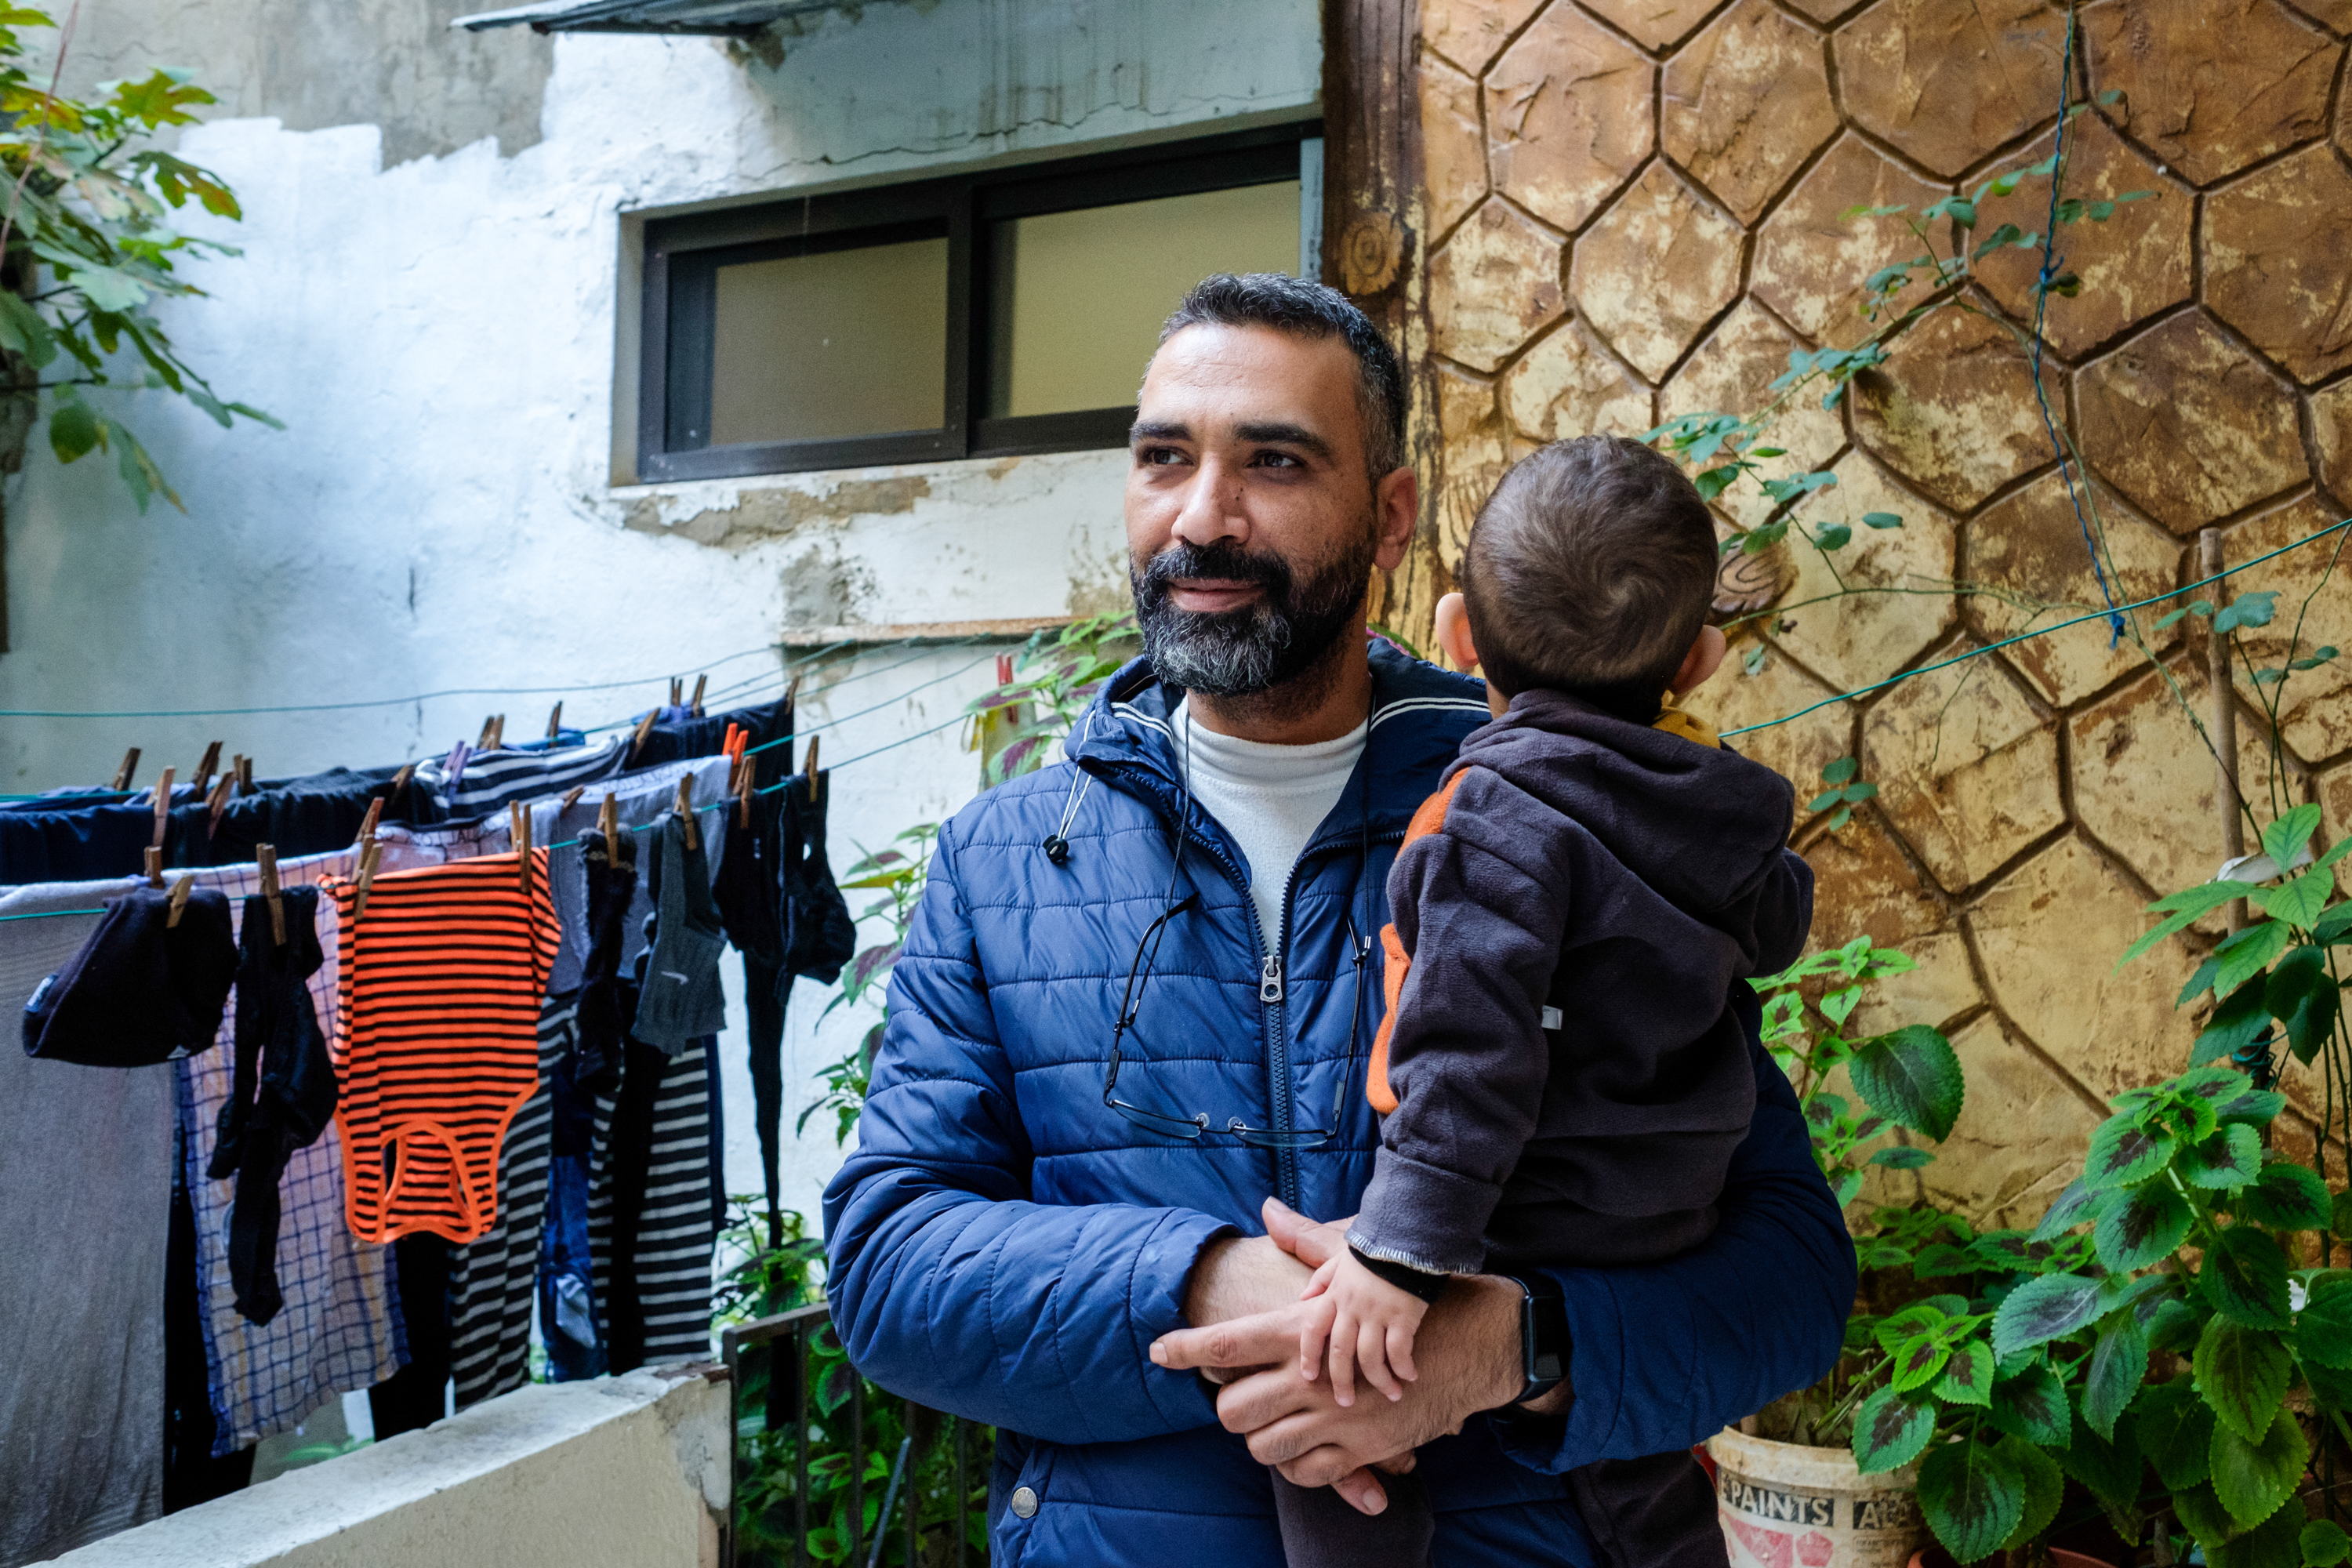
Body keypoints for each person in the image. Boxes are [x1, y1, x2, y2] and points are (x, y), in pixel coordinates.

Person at [821, 272, 1855, 1566]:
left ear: (1390, 515)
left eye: (1275, 460)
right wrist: (1208, 1284)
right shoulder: (1007, 860)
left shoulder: (1568, 825)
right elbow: (888, 1265)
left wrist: (1513, 1346)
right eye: (1164, 459)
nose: (1205, 514)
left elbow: (1794, 1281)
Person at [1278, 435, 1813, 1568]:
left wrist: (1399, 1258)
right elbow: (1776, 926)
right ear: (1701, 660)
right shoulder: (1716, 810)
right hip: (1671, 1214)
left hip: (1528, 1210)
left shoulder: (1493, 822)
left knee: (1320, 1416)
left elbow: (1470, 1050)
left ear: (1456, 632)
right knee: (1635, 1465)